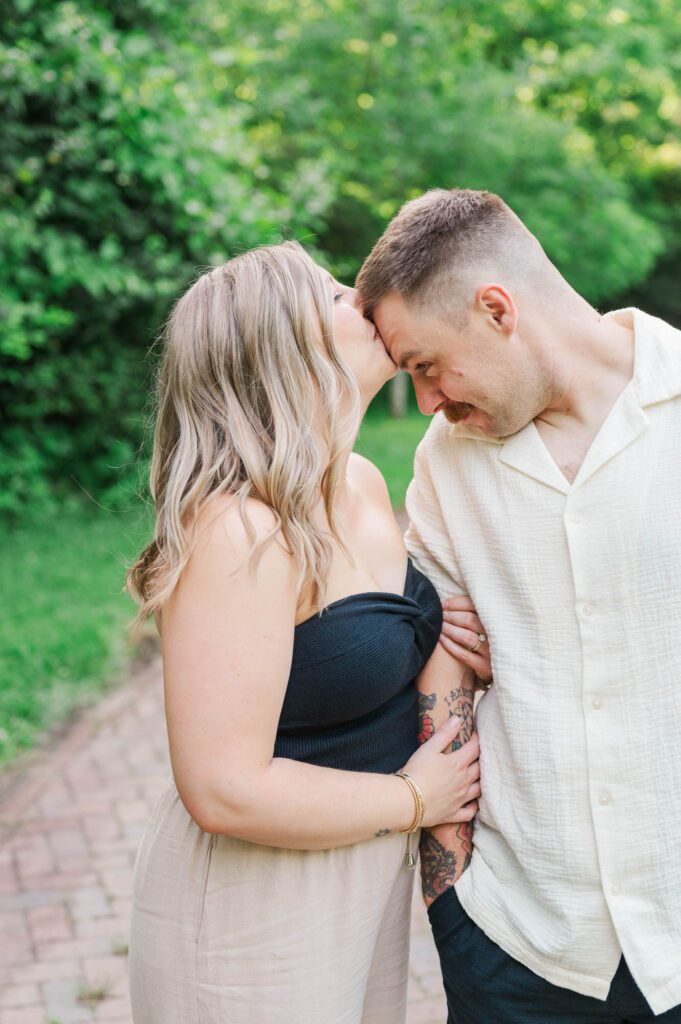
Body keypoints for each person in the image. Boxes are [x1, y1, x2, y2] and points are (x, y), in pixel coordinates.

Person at [125, 241, 489, 1024]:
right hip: (255, 903)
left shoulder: (358, 482)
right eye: (330, 294)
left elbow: (371, 644)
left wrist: (453, 633)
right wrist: (410, 796)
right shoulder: (236, 529)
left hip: (365, 875)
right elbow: (223, 788)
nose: (359, 296)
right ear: (277, 346)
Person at [356, 187, 681, 1023]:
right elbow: (444, 675)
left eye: (425, 365)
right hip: (517, 945)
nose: (426, 400)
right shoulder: (445, 462)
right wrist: (450, 902)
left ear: (495, 309)